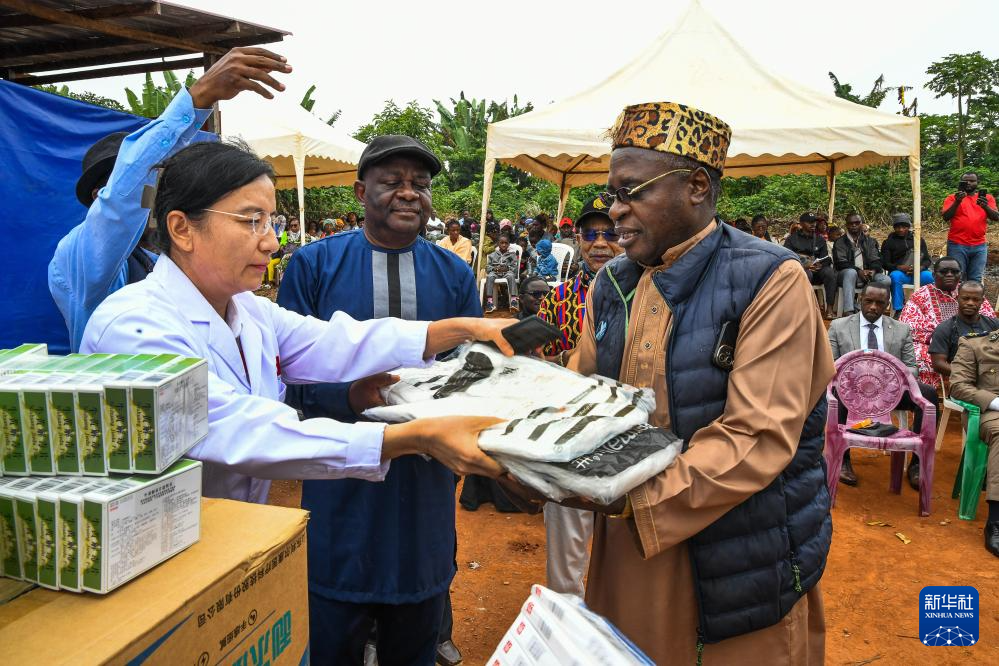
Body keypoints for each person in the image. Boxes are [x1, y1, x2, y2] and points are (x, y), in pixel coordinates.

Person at [501, 101, 832, 664]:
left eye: (632, 192)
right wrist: (521, 452)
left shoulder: (771, 278)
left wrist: (629, 498)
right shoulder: (611, 284)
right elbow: (581, 398)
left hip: (740, 547)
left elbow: (757, 436)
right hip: (629, 546)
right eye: (611, 194)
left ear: (696, 186)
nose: (615, 213)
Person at [79, 139, 510, 501]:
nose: (270, 241)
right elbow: (242, 432)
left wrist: (467, 328)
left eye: (270, 221)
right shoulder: (132, 326)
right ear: (182, 228)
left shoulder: (247, 309)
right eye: (251, 221)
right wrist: (414, 437)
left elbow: (336, 342)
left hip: (230, 537)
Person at [276, 135, 484, 666]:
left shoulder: (455, 274)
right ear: (360, 189)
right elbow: (284, 378)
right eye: (393, 182)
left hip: (425, 479)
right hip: (337, 476)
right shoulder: (314, 266)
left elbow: (473, 374)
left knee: (416, 620)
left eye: (421, 184)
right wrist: (348, 395)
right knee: (331, 629)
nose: (409, 194)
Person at [49, 47, 291, 352]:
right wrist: (197, 99)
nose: (159, 195)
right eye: (147, 184)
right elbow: (119, 203)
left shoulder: (158, 257)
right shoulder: (79, 256)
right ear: (101, 196)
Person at [535, 195, 622, 598]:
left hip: (627, 429)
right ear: (578, 239)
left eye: (611, 233)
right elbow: (539, 365)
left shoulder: (649, 292)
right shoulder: (559, 298)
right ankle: (564, 617)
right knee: (567, 542)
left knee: (622, 537)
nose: (600, 243)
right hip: (570, 428)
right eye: (591, 234)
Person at [827, 282, 936, 488]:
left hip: (891, 390)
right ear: (860, 300)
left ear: (888, 304)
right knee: (837, 390)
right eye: (869, 301)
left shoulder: (901, 329)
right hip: (851, 389)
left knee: (928, 393)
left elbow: (912, 368)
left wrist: (888, 381)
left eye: (880, 303)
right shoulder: (839, 326)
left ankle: (916, 463)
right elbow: (830, 366)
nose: (873, 307)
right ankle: (844, 459)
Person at [900, 256, 996, 389]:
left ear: (960, 274)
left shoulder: (970, 292)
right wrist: (943, 340)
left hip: (973, 342)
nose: (949, 275)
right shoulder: (921, 296)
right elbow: (909, 328)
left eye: (954, 271)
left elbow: (988, 320)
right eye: (944, 271)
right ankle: (928, 396)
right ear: (934, 274)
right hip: (933, 345)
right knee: (918, 357)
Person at [947, 331, 999, 558]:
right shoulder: (975, 344)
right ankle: (996, 522)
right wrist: (995, 402)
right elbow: (957, 386)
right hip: (989, 413)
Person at [930, 281, 999, 380]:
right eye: (965, 298)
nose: (970, 303)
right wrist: (971, 375)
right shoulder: (944, 329)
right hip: (964, 381)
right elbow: (938, 364)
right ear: (957, 298)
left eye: (975, 299)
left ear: (982, 301)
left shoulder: (995, 325)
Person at [942, 172, 999, 283]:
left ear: (977, 183)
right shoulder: (952, 198)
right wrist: (957, 201)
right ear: (960, 182)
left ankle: (973, 300)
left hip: (979, 245)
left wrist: (985, 206)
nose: (968, 183)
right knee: (957, 278)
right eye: (965, 181)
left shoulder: (987, 198)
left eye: (972, 180)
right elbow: (946, 217)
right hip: (957, 244)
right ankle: (956, 300)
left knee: (976, 279)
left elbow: (996, 217)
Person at [832, 212, 891, 316]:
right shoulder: (840, 242)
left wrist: (873, 270)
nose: (854, 225)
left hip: (868, 272)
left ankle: (868, 308)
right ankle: (849, 311)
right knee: (850, 273)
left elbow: (876, 259)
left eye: (857, 223)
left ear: (861, 224)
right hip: (846, 275)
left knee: (885, 280)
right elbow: (840, 263)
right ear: (846, 225)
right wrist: (858, 271)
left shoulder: (870, 241)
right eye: (851, 223)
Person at [785, 212, 837, 318]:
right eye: (809, 222)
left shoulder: (820, 239)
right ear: (802, 224)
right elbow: (787, 258)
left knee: (830, 273)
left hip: (818, 271)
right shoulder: (792, 239)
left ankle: (829, 309)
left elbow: (825, 258)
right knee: (806, 273)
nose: (813, 224)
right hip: (800, 270)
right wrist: (805, 265)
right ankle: (804, 309)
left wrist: (820, 264)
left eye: (814, 222)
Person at [881, 213, 933, 314]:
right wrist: (898, 267)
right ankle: (899, 309)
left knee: (930, 276)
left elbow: (927, 260)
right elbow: (885, 263)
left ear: (908, 227)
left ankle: (928, 308)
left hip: (918, 273)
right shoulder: (889, 242)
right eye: (898, 227)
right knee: (895, 277)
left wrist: (920, 267)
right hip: (900, 273)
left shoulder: (918, 240)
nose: (901, 229)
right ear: (894, 228)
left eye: (904, 227)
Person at [484, 234, 520, 312]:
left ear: (509, 244)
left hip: (507, 272)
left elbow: (515, 267)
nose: (504, 245)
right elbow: (487, 267)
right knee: (489, 276)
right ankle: (490, 302)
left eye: (506, 243)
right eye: (501, 243)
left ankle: (513, 301)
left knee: (511, 276)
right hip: (495, 272)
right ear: (498, 244)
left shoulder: (512, 255)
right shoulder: (492, 255)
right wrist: (495, 268)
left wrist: (507, 268)